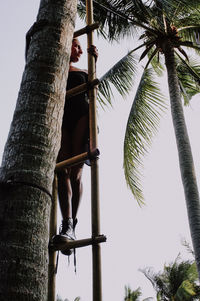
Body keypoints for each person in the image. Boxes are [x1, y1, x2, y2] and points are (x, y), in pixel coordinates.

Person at [53, 38, 98, 255]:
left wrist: (94, 61)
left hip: (80, 115)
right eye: (76, 45)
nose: (79, 50)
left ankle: (72, 225)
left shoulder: (83, 70)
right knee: (62, 171)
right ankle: (67, 223)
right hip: (60, 117)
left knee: (76, 173)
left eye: (81, 47)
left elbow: (94, 96)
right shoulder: (54, 64)